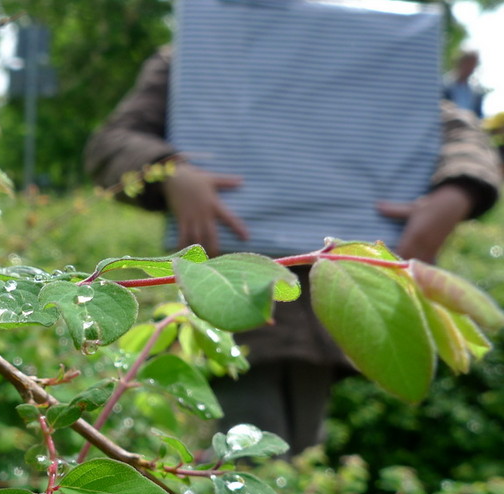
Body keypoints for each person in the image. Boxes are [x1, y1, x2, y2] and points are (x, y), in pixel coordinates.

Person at [84, 47, 502, 452]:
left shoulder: (354, 50)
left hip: (326, 315)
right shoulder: (198, 50)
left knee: (298, 451)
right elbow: (111, 143)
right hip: (229, 302)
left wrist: (458, 189)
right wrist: (170, 172)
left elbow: (457, 131)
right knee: (238, 458)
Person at [444, 50, 486, 119]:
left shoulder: (476, 92)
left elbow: (479, 115)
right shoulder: (445, 85)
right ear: (460, 63)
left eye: (473, 65)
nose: (471, 68)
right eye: (468, 63)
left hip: (470, 127)